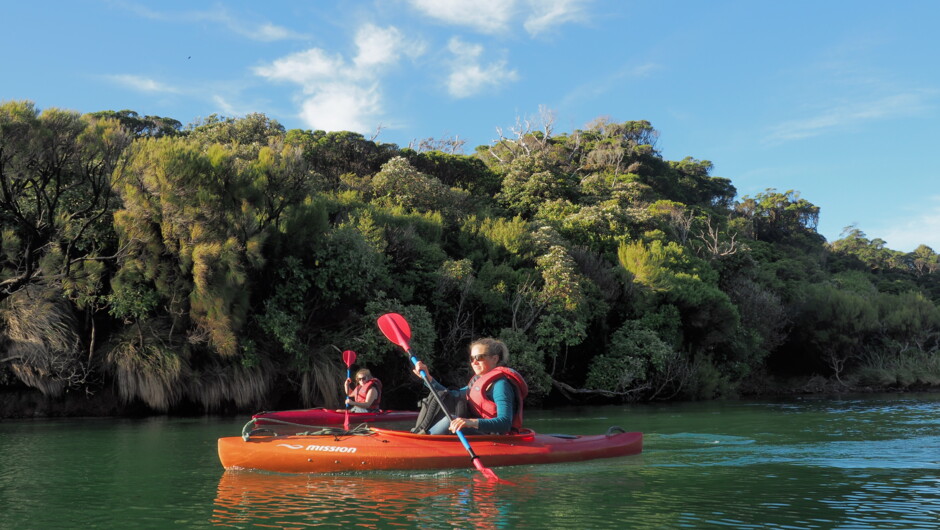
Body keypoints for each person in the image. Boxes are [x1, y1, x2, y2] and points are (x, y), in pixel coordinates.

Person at [411, 338, 528, 435]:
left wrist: (470, 422)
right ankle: (421, 436)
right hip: (479, 431)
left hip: (494, 435)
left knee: (449, 421)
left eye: (479, 358)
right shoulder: (478, 382)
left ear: (494, 359)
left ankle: (422, 442)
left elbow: (505, 423)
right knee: (448, 416)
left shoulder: (501, 385)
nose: (474, 362)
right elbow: (451, 396)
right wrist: (428, 378)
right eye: (472, 358)